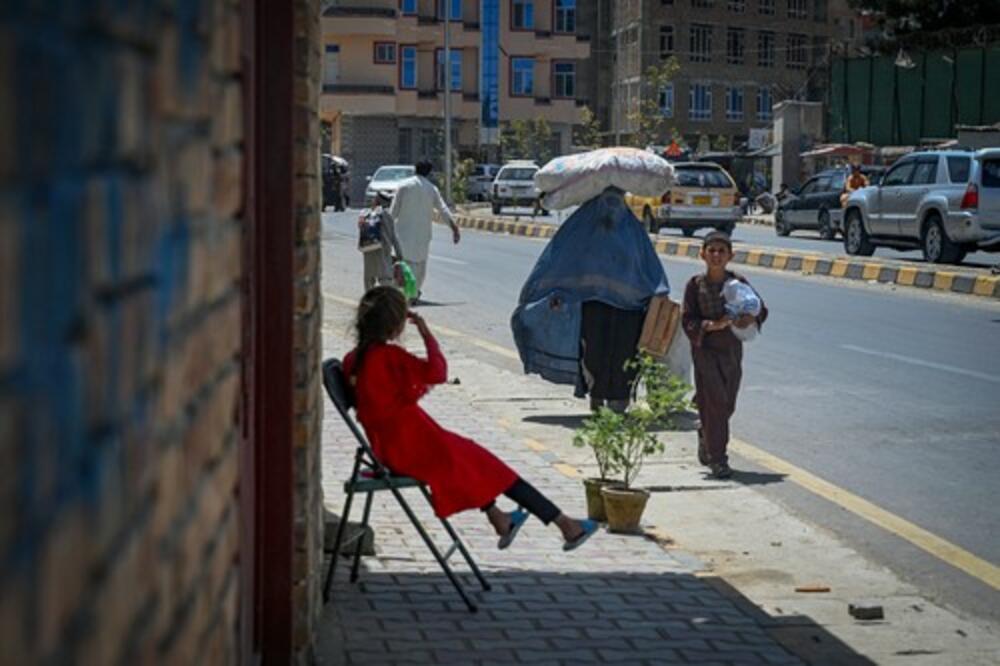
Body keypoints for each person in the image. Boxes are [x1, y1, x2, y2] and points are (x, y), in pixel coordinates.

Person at [343, 286, 599, 551]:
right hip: (415, 450)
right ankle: (567, 526)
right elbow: (437, 372)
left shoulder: (354, 360)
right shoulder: (389, 358)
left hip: (398, 448)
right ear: (395, 326)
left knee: (476, 464)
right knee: (491, 468)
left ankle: (503, 519)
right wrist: (426, 333)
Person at [681, 231, 768, 479]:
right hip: (705, 350)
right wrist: (710, 326)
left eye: (721, 251)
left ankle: (705, 433)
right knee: (716, 403)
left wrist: (751, 317)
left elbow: (760, 308)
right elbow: (688, 320)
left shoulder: (738, 282)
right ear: (702, 254)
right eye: (712, 251)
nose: (716, 255)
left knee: (726, 403)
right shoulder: (694, 285)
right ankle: (718, 459)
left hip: (731, 350)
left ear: (730, 255)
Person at [389, 160, 461, 300]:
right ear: (429, 173)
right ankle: (413, 293)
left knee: (401, 263)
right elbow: (443, 210)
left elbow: (393, 212)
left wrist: (385, 229)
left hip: (402, 233)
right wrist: (454, 227)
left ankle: (399, 293)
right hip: (422, 235)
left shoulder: (404, 186)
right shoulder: (431, 189)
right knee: (419, 266)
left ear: (415, 169)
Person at [358, 192, 404, 291]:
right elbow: (393, 237)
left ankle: (369, 298)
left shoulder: (365, 213)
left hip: (368, 249)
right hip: (383, 250)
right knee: (384, 277)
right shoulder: (387, 215)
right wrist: (400, 254)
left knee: (369, 278)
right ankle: (386, 300)